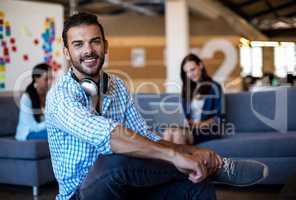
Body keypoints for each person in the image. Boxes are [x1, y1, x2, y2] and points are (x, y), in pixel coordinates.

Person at [45, 13, 268, 200]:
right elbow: (109, 137)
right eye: (78, 44)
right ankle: (214, 168)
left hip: (126, 186)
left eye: (95, 41)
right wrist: (175, 155)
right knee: (114, 160)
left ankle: (206, 166)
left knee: (198, 188)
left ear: (105, 45)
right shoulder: (60, 96)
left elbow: (145, 135)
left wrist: (191, 151)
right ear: (66, 53)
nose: (88, 50)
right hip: (81, 193)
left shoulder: (117, 86)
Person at [163, 53, 225, 145]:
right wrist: (185, 121)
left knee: (179, 134)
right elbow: (184, 115)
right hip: (190, 127)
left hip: (208, 129)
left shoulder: (214, 87)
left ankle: (178, 159)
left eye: (192, 69)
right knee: (168, 131)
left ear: (200, 65)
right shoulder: (187, 89)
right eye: (187, 72)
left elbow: (219, 117)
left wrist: (200, 124)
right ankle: (170, 159)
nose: (190, 74)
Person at [15, 63, 52, 140]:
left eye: (51, 78)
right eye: (46, 79)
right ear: (36, 78)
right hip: (27, 133)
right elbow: (33, 127)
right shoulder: (27, 98)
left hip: (42, 130)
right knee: (57, 134)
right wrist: (51, 123)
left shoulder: (49, 95)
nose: (49, 82)